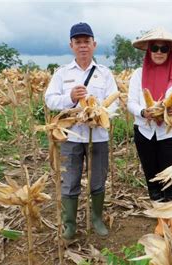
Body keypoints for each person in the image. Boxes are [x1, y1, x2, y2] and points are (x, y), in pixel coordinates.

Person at [45, 22, 118, 239]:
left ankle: (96, 219)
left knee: (97, 179)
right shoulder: (62, 74)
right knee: (70, 180)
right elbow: (49, 100)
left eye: (87, 41)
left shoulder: (104, 73)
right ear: (71, 45)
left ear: (94, 45)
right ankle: (69, 225)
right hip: (71, 136)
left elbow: (114, 102)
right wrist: (70, 98)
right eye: (78, 42)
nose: (83, 46)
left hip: (98, 136)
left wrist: (98, 113)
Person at [127, 27, 172, 202]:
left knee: (171, 177)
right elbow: (131, 102)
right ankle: (158, 209)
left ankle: (171, 212)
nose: (159, 52)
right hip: (145, 132)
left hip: (170, 133)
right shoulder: (137, 75)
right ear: (149, 50)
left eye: (164, 49)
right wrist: (142, 112)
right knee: (152, 177)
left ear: (170, 52)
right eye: (155, 48)